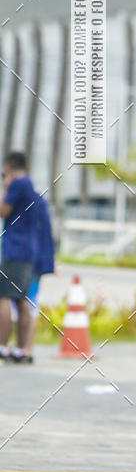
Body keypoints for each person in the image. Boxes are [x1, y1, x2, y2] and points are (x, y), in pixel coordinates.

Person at [0, 152, 42, 363]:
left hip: (14, 250)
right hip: (28, 252)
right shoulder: (32, 188)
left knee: (4, 297)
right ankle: (22, 349)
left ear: (10, 168)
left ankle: (2, 346)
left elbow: (3, 211)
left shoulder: (17, 185)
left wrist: (6, 186)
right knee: (21, 299)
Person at [9, 189, 55, 363]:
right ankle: (27, 348)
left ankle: (24, 348)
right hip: (38, 260)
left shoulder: (21, 207)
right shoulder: (40, 204)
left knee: (23, 304)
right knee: (31, 304)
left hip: (27, 261)